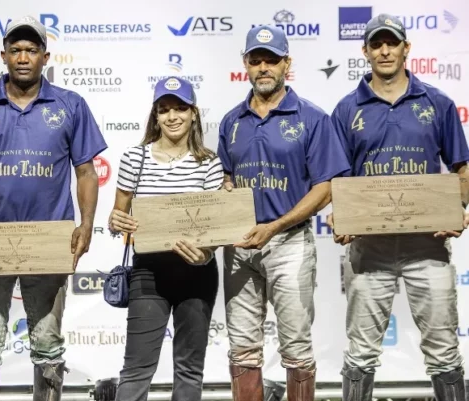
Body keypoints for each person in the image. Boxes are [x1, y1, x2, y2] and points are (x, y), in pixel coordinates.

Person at [0, 15, 108, 401]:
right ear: (3, 55)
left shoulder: (70, 105)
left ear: (45, 57)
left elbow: (86, 172)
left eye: (31, 50)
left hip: (49, 240)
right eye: (15, 50)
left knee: (48, 344)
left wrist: (86, 224)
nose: (22, 57)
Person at [330, 14, 469, 401]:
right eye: (377, 44)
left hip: (428, 243)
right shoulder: (346, 109)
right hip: (369, 247)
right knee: (360, 351)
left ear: (407, 48)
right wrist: (341, 215)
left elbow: (462, 167)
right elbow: (337, 177)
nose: (385, 51)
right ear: (365, 51)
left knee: (443, 350)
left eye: (392, 43)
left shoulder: (437, 103)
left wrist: (459, 207)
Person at [217, 25, 350, 401]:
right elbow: (227, 177)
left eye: (271, 60)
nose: (263, 67)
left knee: (296, 346)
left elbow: (326, 187)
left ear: (286, 64)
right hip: (239, 245)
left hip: (289, 243)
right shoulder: (231, 121)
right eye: (255, 60)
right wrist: (224, 196)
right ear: (245, 64)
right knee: (242, 347)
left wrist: (275, 226)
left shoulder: (312, 118)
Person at [107, 77, 223, 401]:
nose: (172, 117)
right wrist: (115, 222)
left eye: (180, 108)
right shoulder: (135, 158)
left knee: (189, 370)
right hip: (148, 273)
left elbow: (215, 227)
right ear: (155, 116)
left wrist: (205, 253)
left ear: (194, 113)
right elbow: (118, 217)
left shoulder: (209, 162)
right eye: (164, 109)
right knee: (136, 370)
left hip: (198, 273)